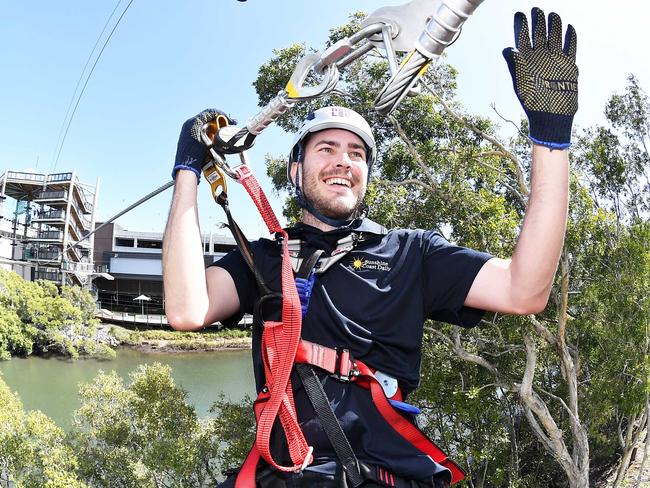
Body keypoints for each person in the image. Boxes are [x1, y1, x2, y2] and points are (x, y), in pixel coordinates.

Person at [162, 7, 578, 487]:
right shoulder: (264, 259)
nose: (344, 161)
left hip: (388, 475)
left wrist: (551, 141)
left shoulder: (410, 254)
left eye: (356, 154)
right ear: (295, 171)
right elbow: (186, 310)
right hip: (287, 473)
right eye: (327, 149)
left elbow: (525, 291)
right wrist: (188, 172)